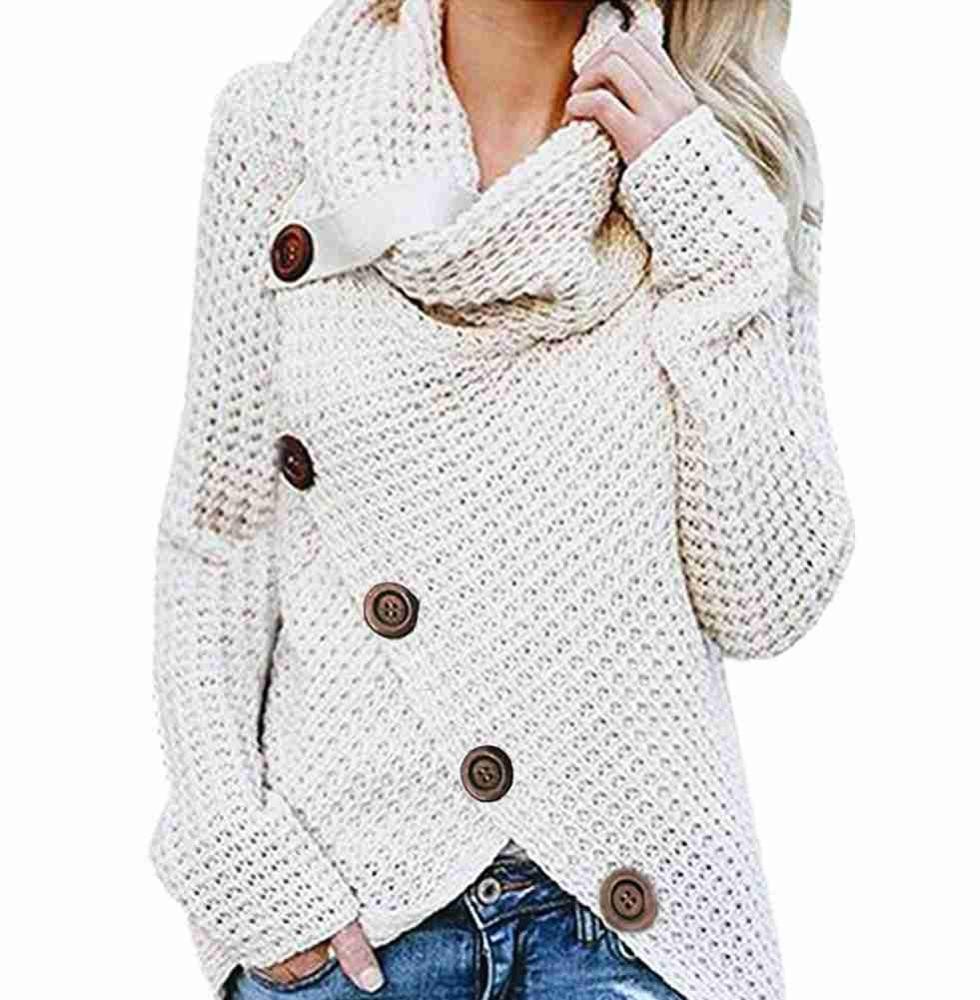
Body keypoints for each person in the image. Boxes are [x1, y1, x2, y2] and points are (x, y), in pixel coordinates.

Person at [149, 1, 854, 998]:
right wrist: (232, 849)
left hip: (637, 931)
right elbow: (218, 537)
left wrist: (706, 225)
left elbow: (766, 599)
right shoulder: (285, 128)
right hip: (355, 917)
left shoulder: (718, 154)